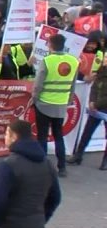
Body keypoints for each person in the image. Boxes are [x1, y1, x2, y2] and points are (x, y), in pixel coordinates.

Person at [32, 33, 78, 176]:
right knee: (59, 136)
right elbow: (73, 85)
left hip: (44, 103)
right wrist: (68, 100)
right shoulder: (74, 61)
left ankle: (42, 166)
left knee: (42, 136)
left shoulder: (47, 61)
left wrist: (34, 98)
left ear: (50, 44)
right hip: (61, 104)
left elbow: (38, 84)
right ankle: (62, 167)